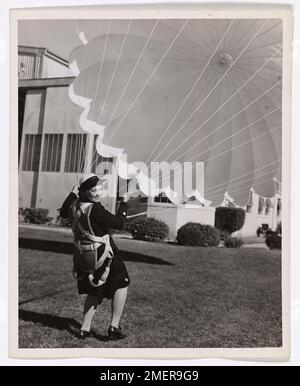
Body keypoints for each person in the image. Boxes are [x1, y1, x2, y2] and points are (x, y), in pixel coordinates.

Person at [60, 173, 130, 341]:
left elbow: (63, 213)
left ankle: (84, 329)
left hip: (85, 257)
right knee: (122, 283)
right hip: (105, 255)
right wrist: (124, 203)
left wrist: (72, 194)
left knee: (94, 290)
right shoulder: (95, 208)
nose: (98, 193)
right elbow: (119, 223)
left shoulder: (74, 205)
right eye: (94, 190)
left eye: (99, 188)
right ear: (85, 192)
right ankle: (114, 327)